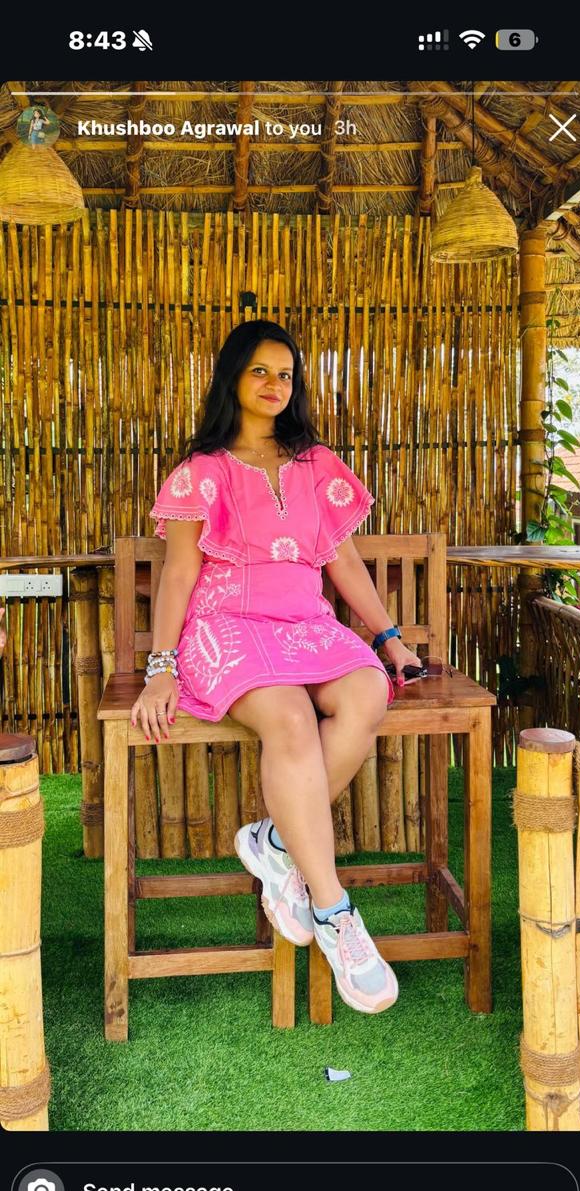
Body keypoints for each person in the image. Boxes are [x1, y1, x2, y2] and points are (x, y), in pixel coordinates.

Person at [131, 321, 422, 1016]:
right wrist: (162, 666)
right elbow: (179, 574)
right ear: (233, 376)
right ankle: (335, 910)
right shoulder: (201, 471)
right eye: (260, 370)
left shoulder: (315, 463)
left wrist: (389, 639)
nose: (274, 385)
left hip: (305, 626)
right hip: (224, 627)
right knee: (290, 716)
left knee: (367, 691)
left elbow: (341, 561)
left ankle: (275, 840)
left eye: (285, 374)